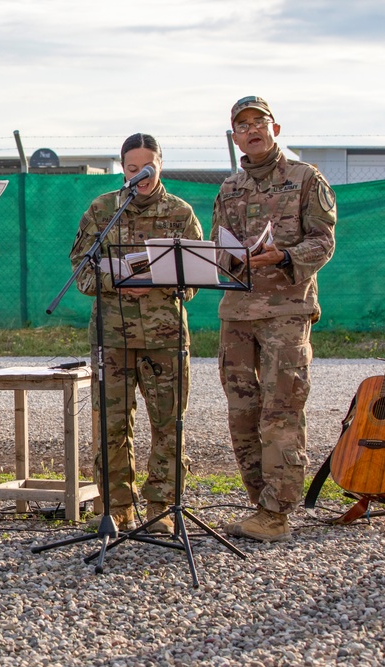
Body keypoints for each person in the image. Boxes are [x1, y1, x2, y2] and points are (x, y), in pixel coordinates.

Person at [211, 96, 336, 542]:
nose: (251, 130)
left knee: (281, 412)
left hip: (286, 311)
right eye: (241, 125)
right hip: (237, 314)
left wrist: (283, 255)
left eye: (258, 122)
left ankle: (277, 513)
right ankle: (257, 504)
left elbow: (323, 242)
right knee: (242, 413)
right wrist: (225, 257)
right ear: (235, 136)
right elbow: (218, 248)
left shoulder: (305, 178)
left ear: (275, 128)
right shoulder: (229, 189)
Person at [68, 133, 203, 534]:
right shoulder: (103, 209)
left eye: (148, 167)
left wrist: (161, 282)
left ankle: (161, 507)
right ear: (122, 168)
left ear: (160, 165)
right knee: (111, 424)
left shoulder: (180, 213)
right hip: (113, 336)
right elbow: (81, 271)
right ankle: (117, 507)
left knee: (168, 423)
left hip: (165, 338)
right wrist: (119, 281)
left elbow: (196, 279)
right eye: (132, 169)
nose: (140, 176)